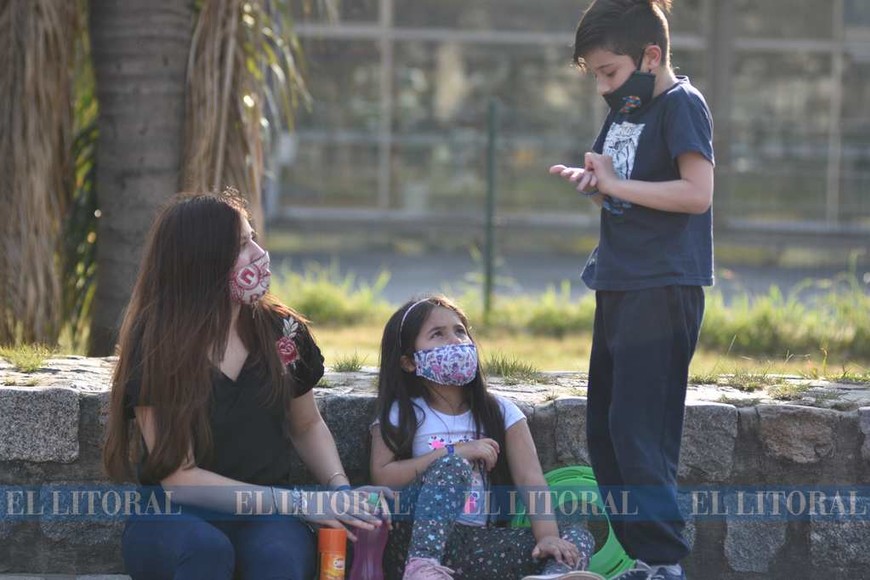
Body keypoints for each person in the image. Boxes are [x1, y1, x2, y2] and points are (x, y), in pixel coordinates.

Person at [103, 191, 390, 580]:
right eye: (241, 245)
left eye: (253, 237)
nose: (259, 252)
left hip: (266, 518)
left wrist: (339, 489)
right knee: (206, 552)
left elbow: (306, 425)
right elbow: (180, 479)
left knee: (280, 561)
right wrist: (299, 503)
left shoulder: (283, 332)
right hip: (173, 518)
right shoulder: (157, 343)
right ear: (202, 261)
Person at [548, 1, 714, 579]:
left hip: (663, 288)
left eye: (610, 72)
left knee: (642, 430)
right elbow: (621, 188)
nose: (603, 86)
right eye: (595, 74)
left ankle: (664, 563)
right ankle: (646, 558)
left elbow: (697, 193)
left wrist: (619, 183)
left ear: (651, 55)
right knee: (608, 430)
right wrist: (594, 184)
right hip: (617, 282)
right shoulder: (628, 110)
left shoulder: (681, 106)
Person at [370, 295, 602, 580]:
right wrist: (453, 452)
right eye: (437, 334)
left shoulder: (502, 411)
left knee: (573, 527)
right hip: (413, 543)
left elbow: (531, 479)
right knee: (452, 465)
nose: (455, 341)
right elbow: (383, 476)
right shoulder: (402, 413)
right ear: (408, 362)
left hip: (476, 547)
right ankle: (423, 568)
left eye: (459, 331)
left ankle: (552, 576)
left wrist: (547, 537)